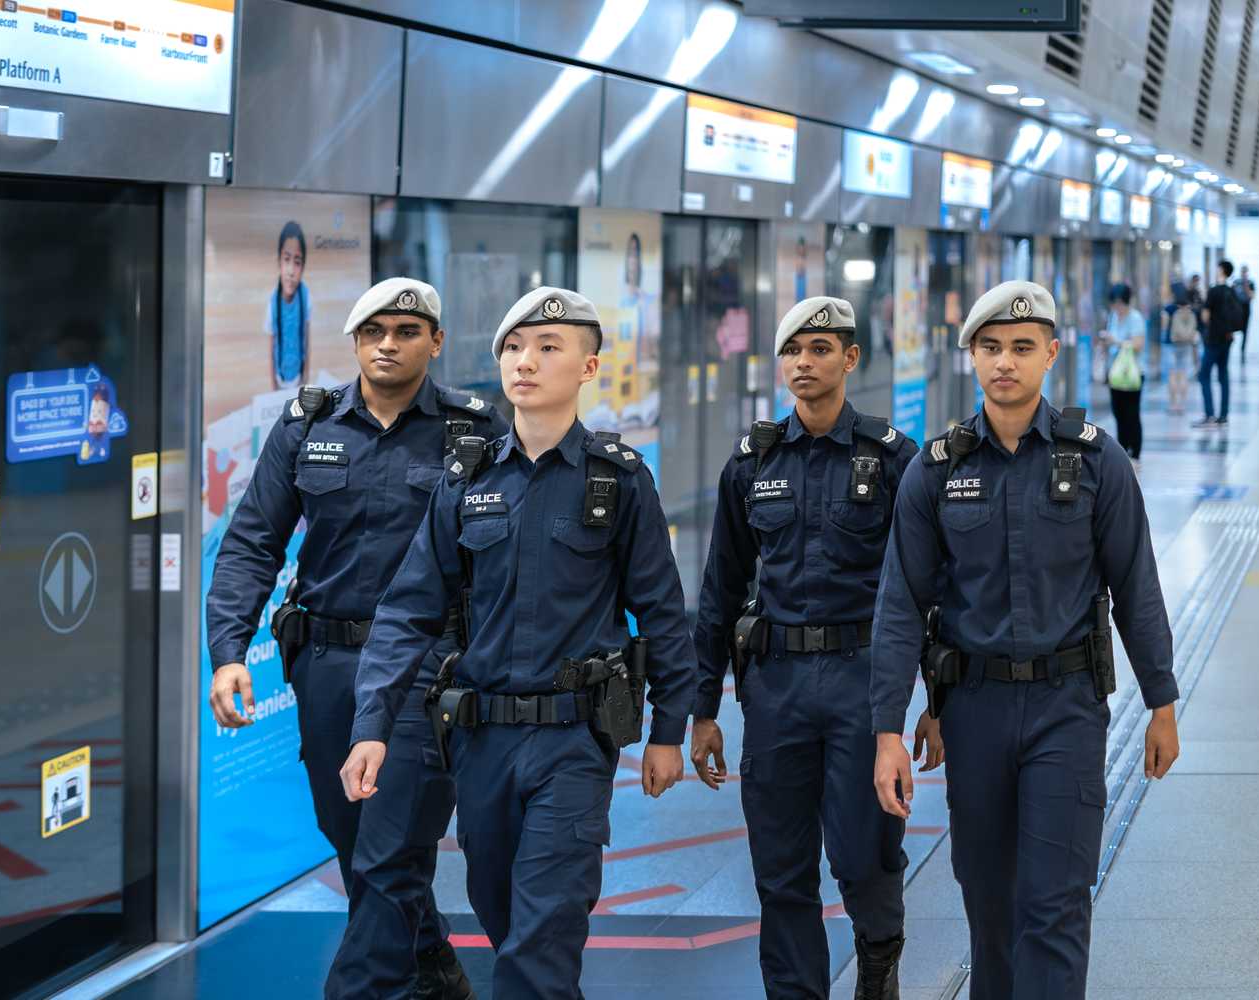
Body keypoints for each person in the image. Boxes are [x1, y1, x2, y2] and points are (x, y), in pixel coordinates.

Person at [342, 287, 695, 999]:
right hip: (481, 746)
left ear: (589, 368)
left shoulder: (617, 482)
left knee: (541, 938)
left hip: (572, 746)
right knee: (507, 920)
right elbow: (408, 609)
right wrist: (372, 725)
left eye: (546, 347)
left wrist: (669, 730)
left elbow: (662, 614)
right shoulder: (466, 482)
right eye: (512, 347)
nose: (523, 361)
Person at [870, 280, 1182, 1000]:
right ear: (970, 356)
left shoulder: (1098, 463)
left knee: (1055, 905)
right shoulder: (938, 471)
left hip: (1065, 709)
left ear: (1050, 354)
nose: (1003, 362)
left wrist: (1161, 700)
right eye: (989, 348)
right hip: (973, 711)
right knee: (989, 906)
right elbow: (899, 607)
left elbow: (1136, 586)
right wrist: (887, 726)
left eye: (1019, 347)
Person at [207, 278, 505, 1000]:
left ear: (435, 342)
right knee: (351, 837)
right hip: (327, 664)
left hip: (426, 668)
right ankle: (431, 968)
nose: (388, 344)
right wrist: (227, 653)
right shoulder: (308, 426)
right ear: (355, 341)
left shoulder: (475, 431)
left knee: (390, 848)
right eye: (374, 331)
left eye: (406, 331)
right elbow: (252, 543)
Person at [689, 296, 937, 999]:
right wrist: (703, 707)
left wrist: (935, 703)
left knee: (864, 854)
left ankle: (879, 956)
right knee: (780, 864)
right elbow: (719, 588)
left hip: (866, 681)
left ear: (850, 359)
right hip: (775, 687)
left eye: (820, 349)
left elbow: (927, 588)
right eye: (793, 351)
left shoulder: (893, 460)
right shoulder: (751, 465)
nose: (804, 362)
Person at [1100, 283, 1146, 460]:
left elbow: (1138, 344)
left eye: (1120, 304)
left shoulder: (1135, 318)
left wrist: (1116, 341)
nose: (1117, 308)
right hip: (1116, 373)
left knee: (1131, 413)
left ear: (1127, 302)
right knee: (1118, 412)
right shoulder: (1113, 316)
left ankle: (1135, 452)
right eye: (1114, 304)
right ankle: (1122, 451)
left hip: (1133, 373)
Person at [1195, 259, 1240, 427]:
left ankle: (1209, 414)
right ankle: (1224, 415)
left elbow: (1205, 316)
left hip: (1213, 339)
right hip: (1228, 338)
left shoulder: (1214, 291)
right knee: (1223, 376)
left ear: (1221, 270)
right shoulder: (1231, 290)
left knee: (1204, 375)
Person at [267, 220, 311, 388]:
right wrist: (273, 385)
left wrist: (306, 376)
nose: (291, 271)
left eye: (297, 262)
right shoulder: (272, 302)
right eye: (286, 259)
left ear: (303, 267)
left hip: (299, 378)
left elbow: (307, 340)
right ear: (279, 262)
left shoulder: (306, 297)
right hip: (280, 378)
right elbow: (271, 349)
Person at [1166, 277, 1200, 414]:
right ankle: (1182, 405)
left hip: (1172, 345)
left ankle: (1173, 404)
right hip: (1186, 345)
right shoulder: (1191, 311)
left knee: (1173, 374)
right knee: (1183, 374)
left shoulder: (1169, 308)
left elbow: (1164, 326)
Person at [1232, 264, 1256, 364]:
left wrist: (1246, 285)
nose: (1244, 274)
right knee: (1233, 328)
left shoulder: (1250, 283)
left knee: (1245, 331)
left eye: (1245, 272)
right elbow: (1231, 295)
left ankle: (1242, 350)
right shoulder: (1236, 282)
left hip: (1246, 309)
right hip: (1236, 309)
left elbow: (1251, 296)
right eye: (1242, 272)